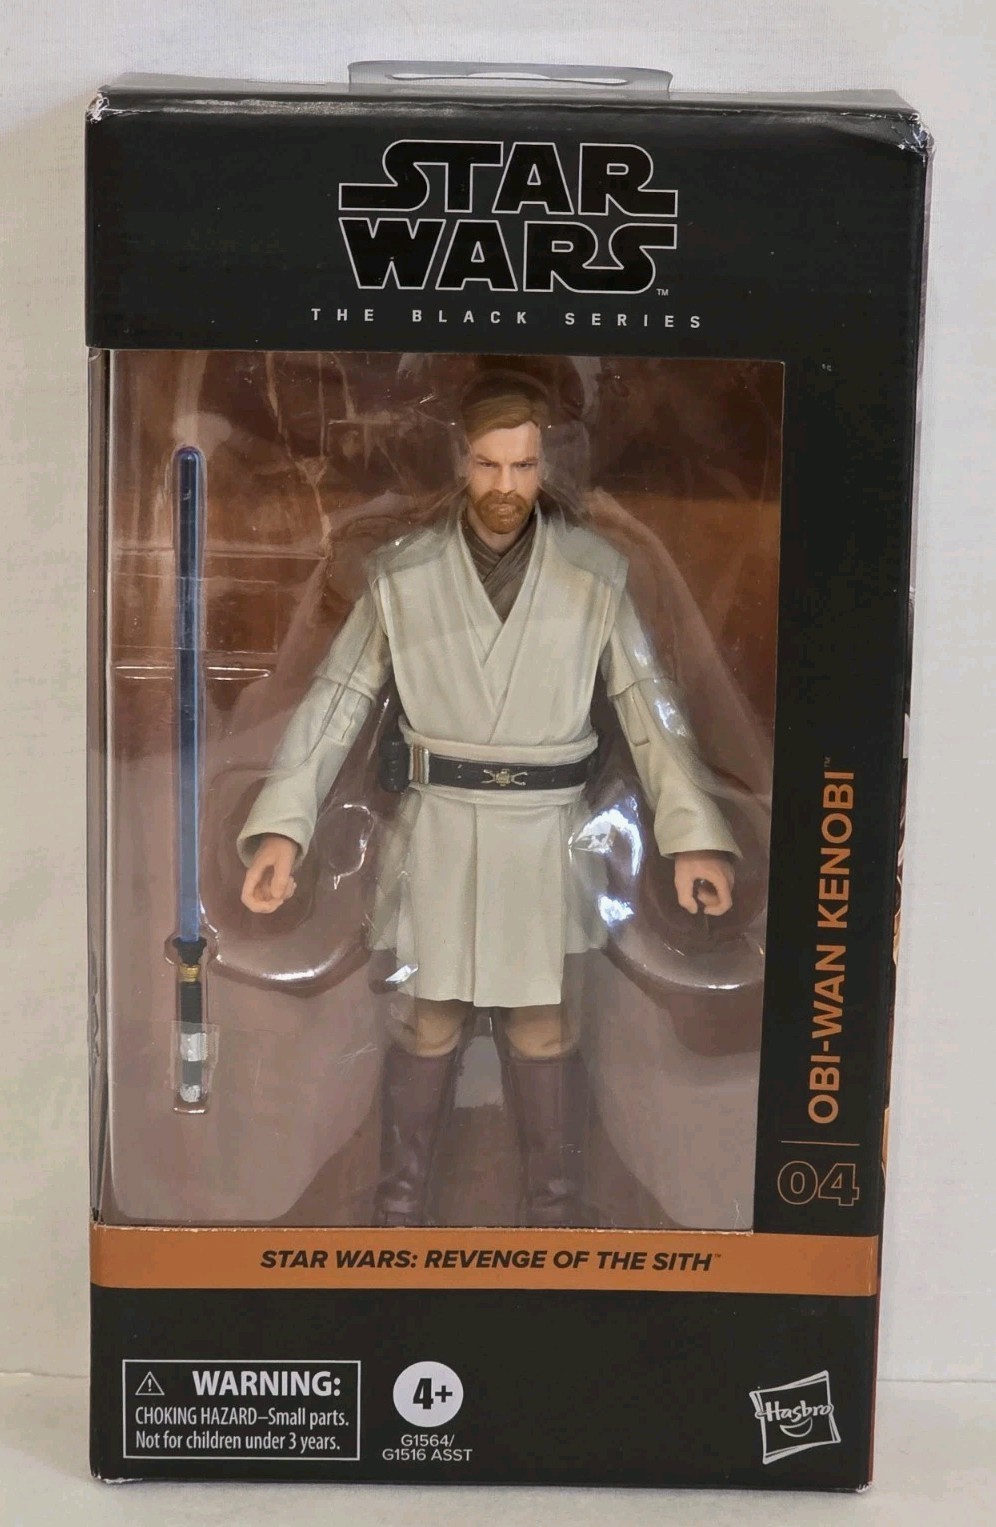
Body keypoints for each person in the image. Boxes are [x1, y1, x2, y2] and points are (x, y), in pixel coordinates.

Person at [238, 371, 738, 1227]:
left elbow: (646, 706)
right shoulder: (403, 573)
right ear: (460, 462)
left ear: (547, 467)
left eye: (523, 466)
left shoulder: (593, 573)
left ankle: (554, 1215)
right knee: (426, 1021)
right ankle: (398, 1212)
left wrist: (690, 836)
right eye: (488, 464)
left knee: (544, 1026)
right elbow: (337, 701)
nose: (506, 485)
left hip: (547, 834)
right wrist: (284, 827)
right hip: (439, 829)